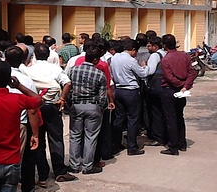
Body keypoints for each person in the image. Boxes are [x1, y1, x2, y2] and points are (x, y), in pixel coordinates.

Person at [0, 61, 43, 192]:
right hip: (12, 160)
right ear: (9, 80)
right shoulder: (16, 99)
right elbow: (39, 101)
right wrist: (19, 86)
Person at [19, 44, 76, 184]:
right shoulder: (55, 68)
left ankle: (43, 174)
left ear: (35, 56)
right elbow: (67, 83)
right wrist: (62, 98)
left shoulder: (29, 70)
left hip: (36, 107)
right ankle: (59, 171)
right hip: (52, 106)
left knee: (38, 139)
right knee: (56, 138)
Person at [67, 47, 107, 175]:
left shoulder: (73, 71)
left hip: (76, 105)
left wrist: (69, 102)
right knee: (91, 137)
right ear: (95, 60)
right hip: (92, 106)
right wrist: (102, 108)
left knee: (75, 136)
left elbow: (67, 87)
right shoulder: (99, 74)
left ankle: (74, 165)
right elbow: (102, 97)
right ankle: (87, 166)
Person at [110, 39, 151, 156]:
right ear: (133, 50)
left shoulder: (115, 58)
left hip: (119, 90)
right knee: (133, 119)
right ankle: (132, 147)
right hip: (131, 90)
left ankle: (116, 144)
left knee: (119, 119)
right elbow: (142, 74)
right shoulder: (130, 60)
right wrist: (145, 66)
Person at [159, 34, 197, 155]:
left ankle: (173, 146)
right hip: (182, 90)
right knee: (179, 116)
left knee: (171, 119)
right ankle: (182, 143)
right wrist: (185, 86)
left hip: (170, 90)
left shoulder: (165, 59)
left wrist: (181, 85)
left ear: (164, 46)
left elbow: (169, 77)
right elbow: (192, 72)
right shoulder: (184, 56)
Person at [142, 37, 167, 146]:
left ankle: (157, 137)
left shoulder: (154, 56)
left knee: (155, 113)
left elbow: (150, 71)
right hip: (164, 86)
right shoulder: (165, 54)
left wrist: (143, 67)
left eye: (149, 46)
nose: (147, 48)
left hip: (155, 87)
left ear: (155, 47)